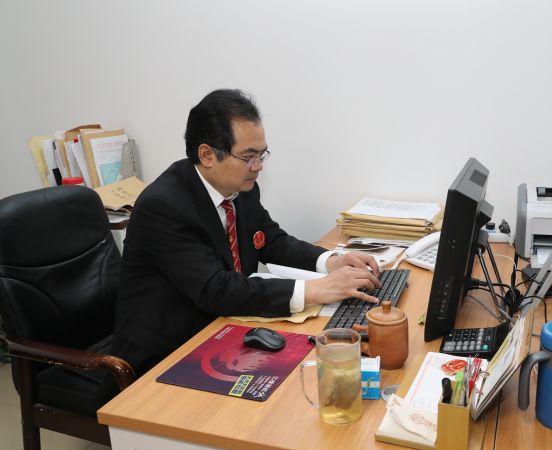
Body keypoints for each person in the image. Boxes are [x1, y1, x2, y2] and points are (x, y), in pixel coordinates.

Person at [112, 89, 381, 375]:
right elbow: (216, 289)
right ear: (207, 155)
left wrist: (331, 262)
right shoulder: (163, 206)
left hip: (224, 328)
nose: (259, 166)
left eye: (262, 154)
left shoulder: (241, 188)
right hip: (166, 353)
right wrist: (316, 289)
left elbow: (270, 240)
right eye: (248, 156)